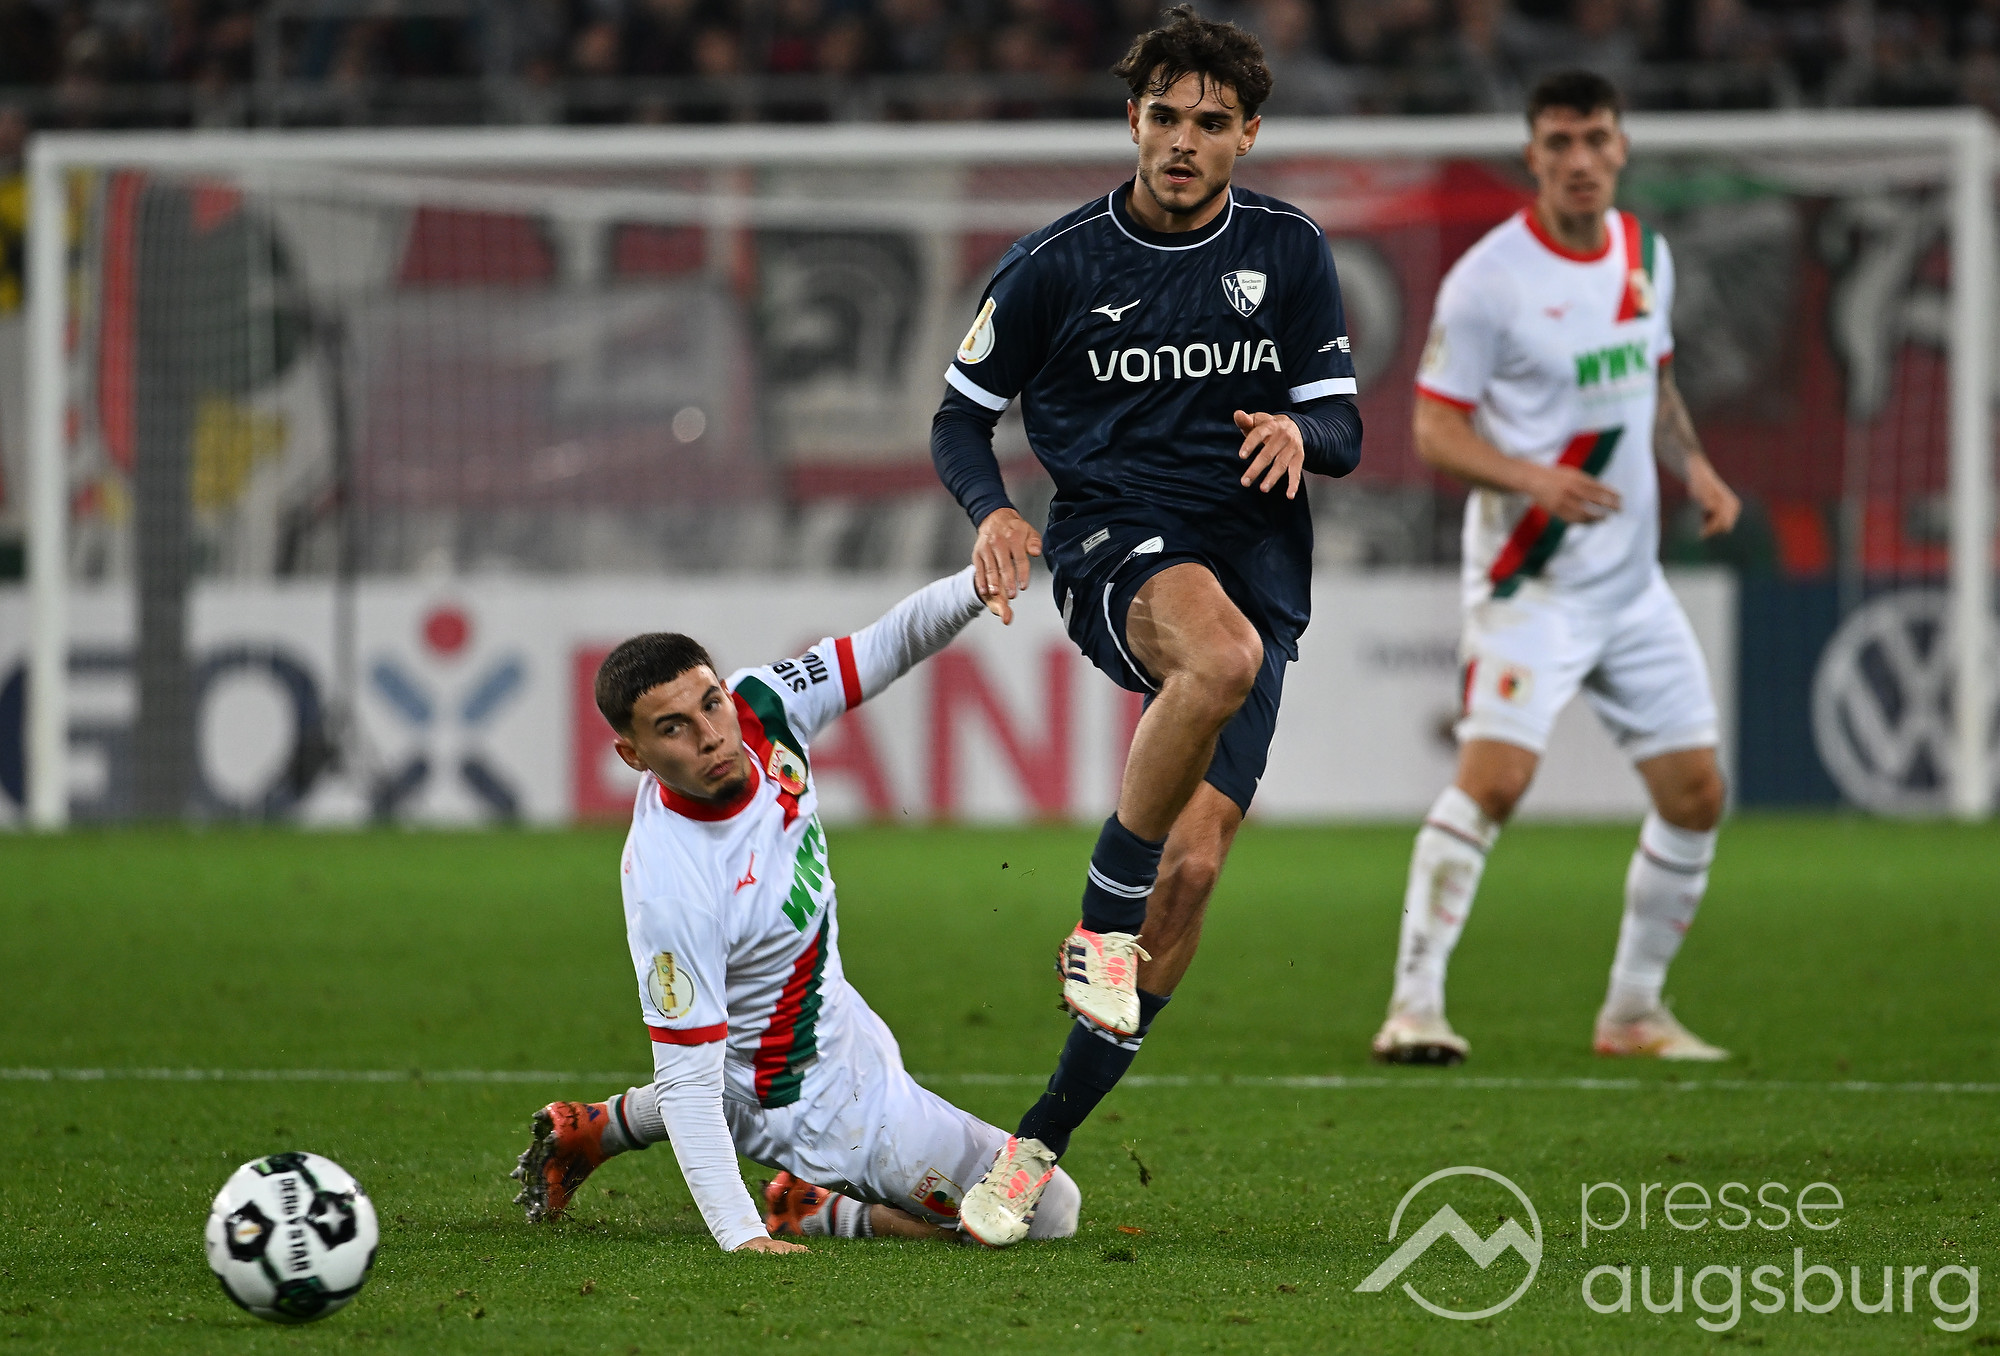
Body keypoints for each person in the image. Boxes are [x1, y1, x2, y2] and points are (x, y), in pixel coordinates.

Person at [929, 5, 1363, 1246]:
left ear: (1246, 135)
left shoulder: (1286, 252)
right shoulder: (1054, 264)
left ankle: (1032, 1146)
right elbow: (960, 417)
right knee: (1211, 657)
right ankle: (1094, 924)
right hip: (1112, 543)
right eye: (1162, 116)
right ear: (1130, 121)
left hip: (1256, 568)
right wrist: (991, 512)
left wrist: (1296, 434)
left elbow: (1340, 425)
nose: (1182, 140)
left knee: (1196, 871)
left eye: (1209, 123)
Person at [509, 567, 1081, 1251]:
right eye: (673, 729)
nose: (712, 735)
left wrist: (976, 581)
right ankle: (815, 1207)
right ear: (633, 755)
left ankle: (604, 1128)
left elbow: (887, 643)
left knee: (740, 1061)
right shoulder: (672, 884)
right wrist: (740, 1235)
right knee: (1048, 1211)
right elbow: (689, 1080)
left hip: (839, 1021)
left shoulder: (765, 706)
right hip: (813, 1113)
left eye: (710, 704)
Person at [1372, 69, 1741, 1067]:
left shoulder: (1643, 255)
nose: (1579, 160)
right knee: (1493, 782)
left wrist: (1696, 467)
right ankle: (1411, 1006)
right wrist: (1531, 478)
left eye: (1595, 140)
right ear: (1531, 156)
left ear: (1619, 148)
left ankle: (1629, 1013)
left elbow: (1651, 378)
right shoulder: (1487, 280)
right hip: (1527, 578)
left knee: (1696, 793)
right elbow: (1433, 431)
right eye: (1559, 143)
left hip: (1629, 586)